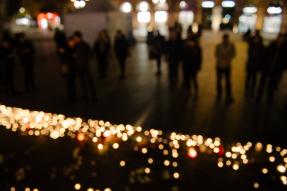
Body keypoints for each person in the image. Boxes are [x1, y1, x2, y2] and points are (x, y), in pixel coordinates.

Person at [73, 31, 97, 100]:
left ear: (78, 37)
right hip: (79, 66)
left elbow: (90, 54)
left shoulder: (84, 44)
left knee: (89, 81)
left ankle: (93, 95)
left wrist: (83, 57)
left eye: (75, 37)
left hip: (85, 66)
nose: (74, 39)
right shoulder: (75, 45)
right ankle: (86, 94)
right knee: (82, 81)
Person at [266, 33, 287, 104]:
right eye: (279, 38)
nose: (280, 40)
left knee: (272, 84)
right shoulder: (272, 45)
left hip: (277, 69)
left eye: (282, 39)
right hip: (269, 67)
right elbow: (267, 54)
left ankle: (270, 98)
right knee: (268, 83)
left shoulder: (284, 48)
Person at [215, 33, 236, 103]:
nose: (225, 40)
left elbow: (234, 54)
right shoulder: (218, 46)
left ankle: (228, 95)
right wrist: (222, 57)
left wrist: (228, 57)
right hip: (219, 66)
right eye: (224, 39)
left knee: (228, 81)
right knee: (219, 81)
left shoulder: (231, 46)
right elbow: (216, 54)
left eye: (226, 39)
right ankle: (219, 94)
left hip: (227, 66)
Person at [245, 30, 264, 97]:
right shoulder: (252, 40)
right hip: (250, 62)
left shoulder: (260, 42)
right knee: (248, 77)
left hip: (256, 64)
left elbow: (262, 51)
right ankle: (247, 89)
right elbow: (248, 47)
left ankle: (252, 90)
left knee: (254, 78)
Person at [60, 36, 77, 102]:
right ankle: (70, 96)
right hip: (68, 68)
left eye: (72, 42)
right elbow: (63, 57)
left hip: (73, 68)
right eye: (70, 42)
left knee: (72, 83)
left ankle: (73, 97)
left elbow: (74, 58)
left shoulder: (74, 49)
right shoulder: (67, 49)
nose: (71, 43)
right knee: (69, 83)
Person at [0, 30, 16, 95]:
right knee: (7, 76)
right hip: (6, 62)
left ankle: (10, 90)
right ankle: (8, 90)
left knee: (9, 76)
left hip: (7, 61)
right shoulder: (5, 43)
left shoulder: (5, 42)